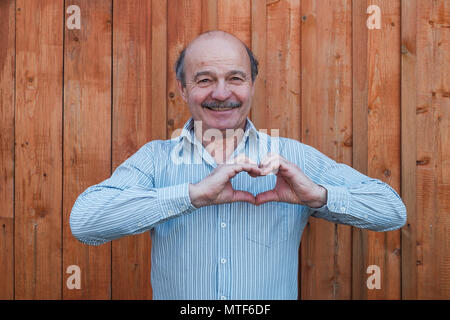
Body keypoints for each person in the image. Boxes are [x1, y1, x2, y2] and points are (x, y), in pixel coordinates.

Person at [70, 30, 407, 300]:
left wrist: (318, 196)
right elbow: (85, 222)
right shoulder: (155, 159)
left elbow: (392, 210)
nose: (221, 93)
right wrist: (190, 196)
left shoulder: (295, 158)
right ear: (183, 89)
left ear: (252, 85)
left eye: (235, 78)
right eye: (204, 80)